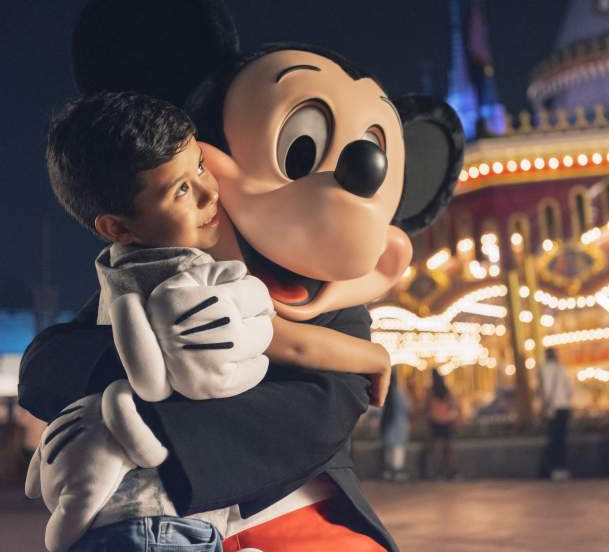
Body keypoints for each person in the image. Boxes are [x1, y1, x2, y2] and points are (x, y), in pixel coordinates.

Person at [33, 91, 391, 552]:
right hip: (164, 522)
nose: (209, 192)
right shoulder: (190, 278)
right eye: (180, 189)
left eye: (201, 164)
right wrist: (376, 357)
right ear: (117, 227)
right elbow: (289, 344)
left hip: (115, 515)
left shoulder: (121, 269)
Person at [539, 347, 573, 480]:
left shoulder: (543, 370)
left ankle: (553, 469)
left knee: (553, 439)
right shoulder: (562, 369)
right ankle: (562, 468)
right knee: (562, 439)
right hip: (564, 407)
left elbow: (544, 391)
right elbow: (570, 390)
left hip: (551, 408)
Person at [426, 368, 459, 480]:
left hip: (435, 421)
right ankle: (451, 472)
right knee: (448, 449)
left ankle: (438, 473)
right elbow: (453, 405)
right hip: (447, 421)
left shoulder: (431, 391)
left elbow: (427, 406)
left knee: (437, 449)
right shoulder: (446, 390)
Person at [380, 368, 411, 481]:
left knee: (389, 450)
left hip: (387, 425)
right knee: (398, 450)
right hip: (399, 426)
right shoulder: (400, 393)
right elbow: (408, 407)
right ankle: (397, 472)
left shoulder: (383, 394)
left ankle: (388, 471)